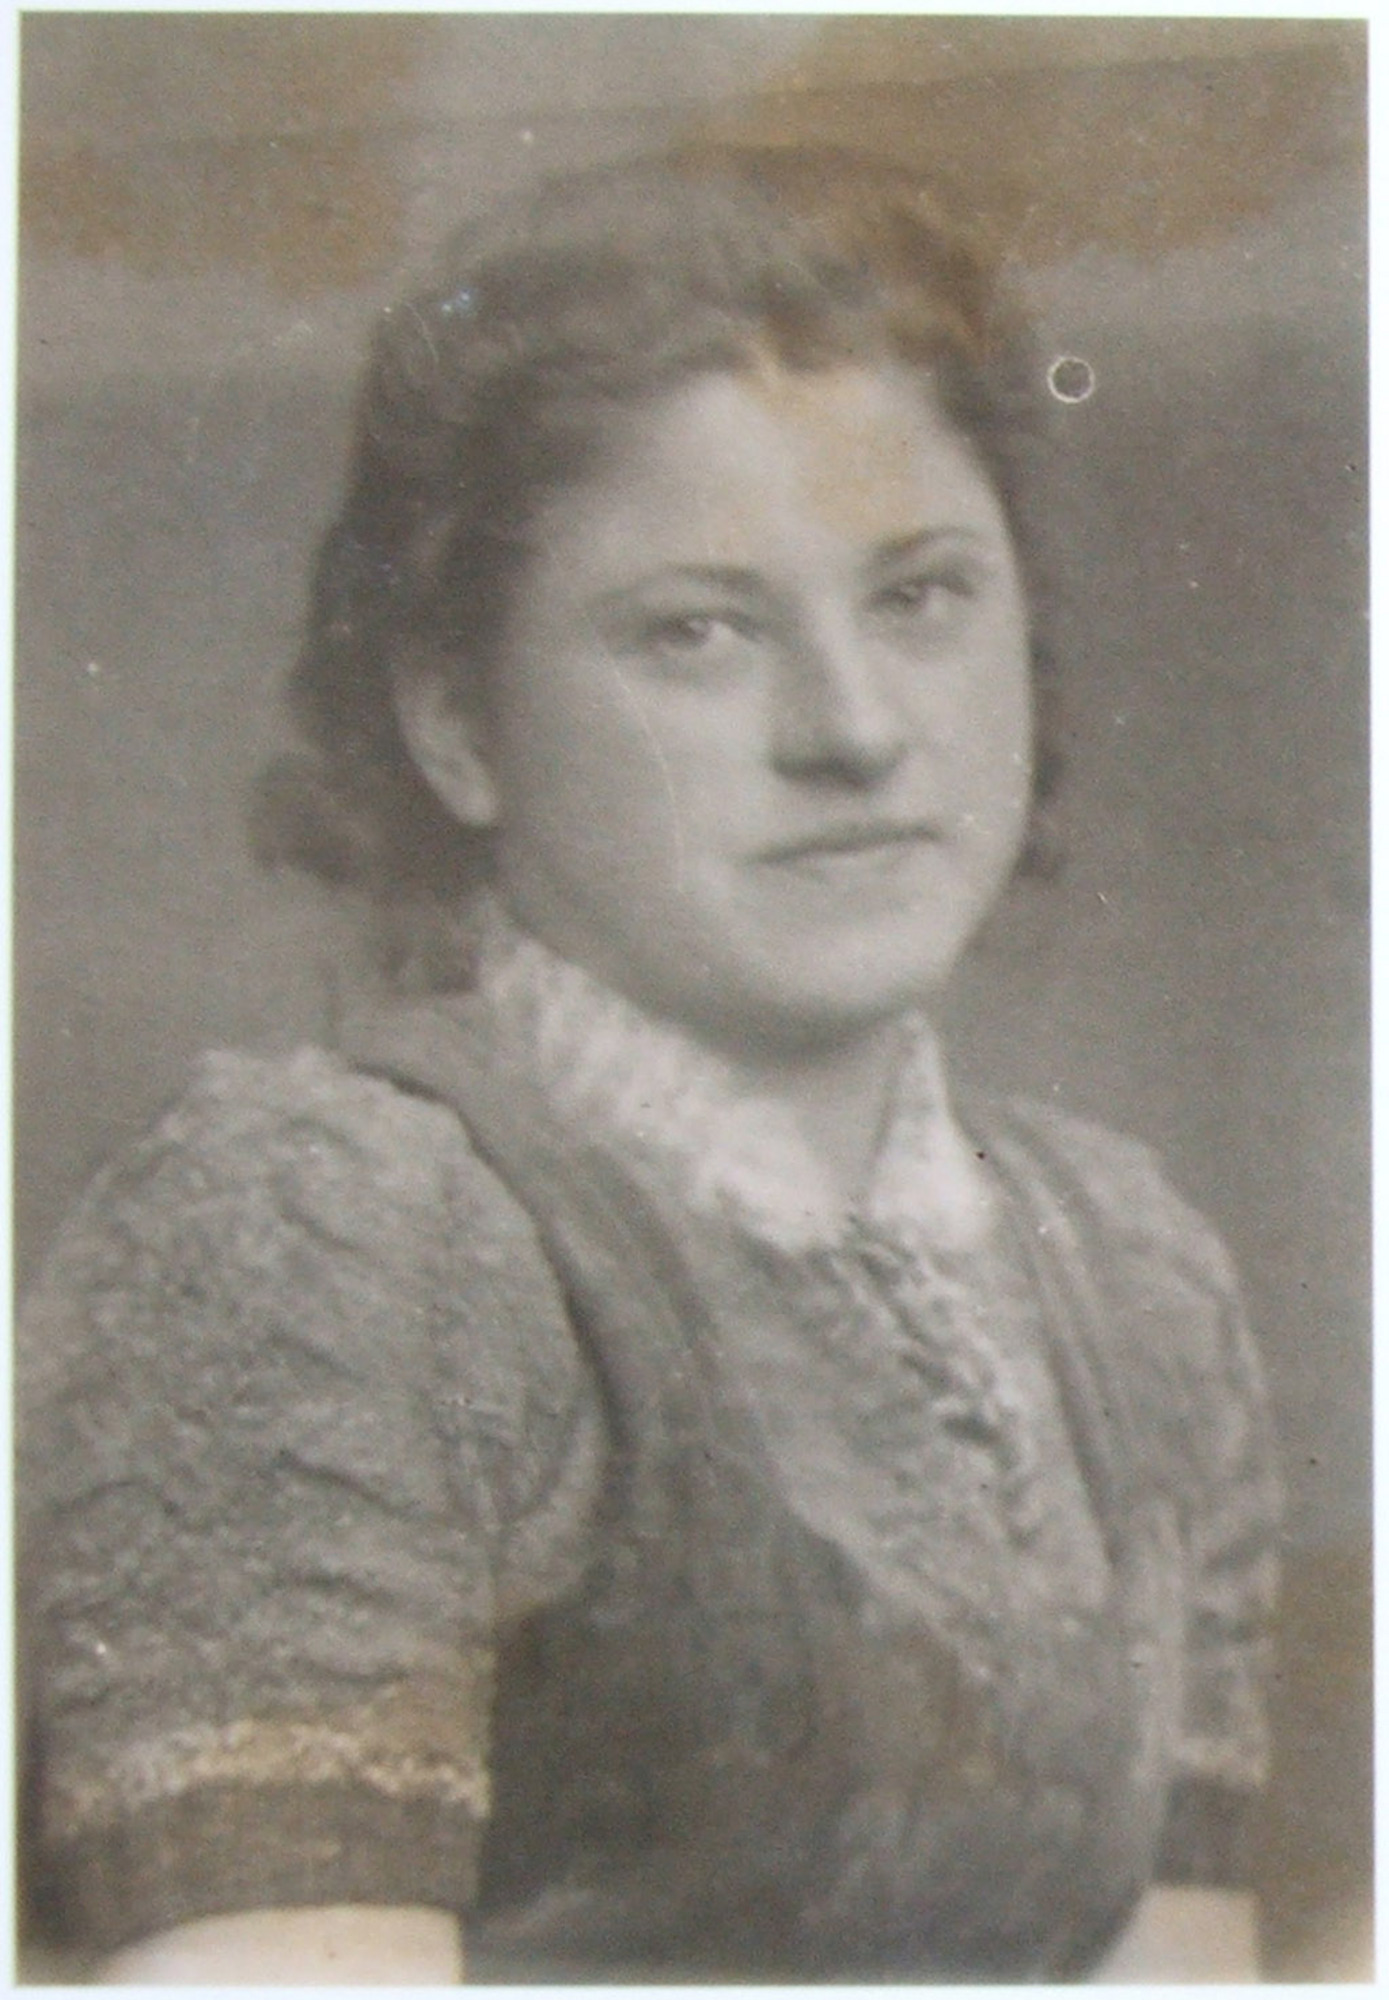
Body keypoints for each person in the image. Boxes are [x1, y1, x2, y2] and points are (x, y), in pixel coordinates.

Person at [18, 145, 1281, 1984]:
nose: (853, 730)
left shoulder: (1129, 1276)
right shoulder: (335, 1241)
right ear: (457, 723)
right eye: (697, 632)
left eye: (921, 597)